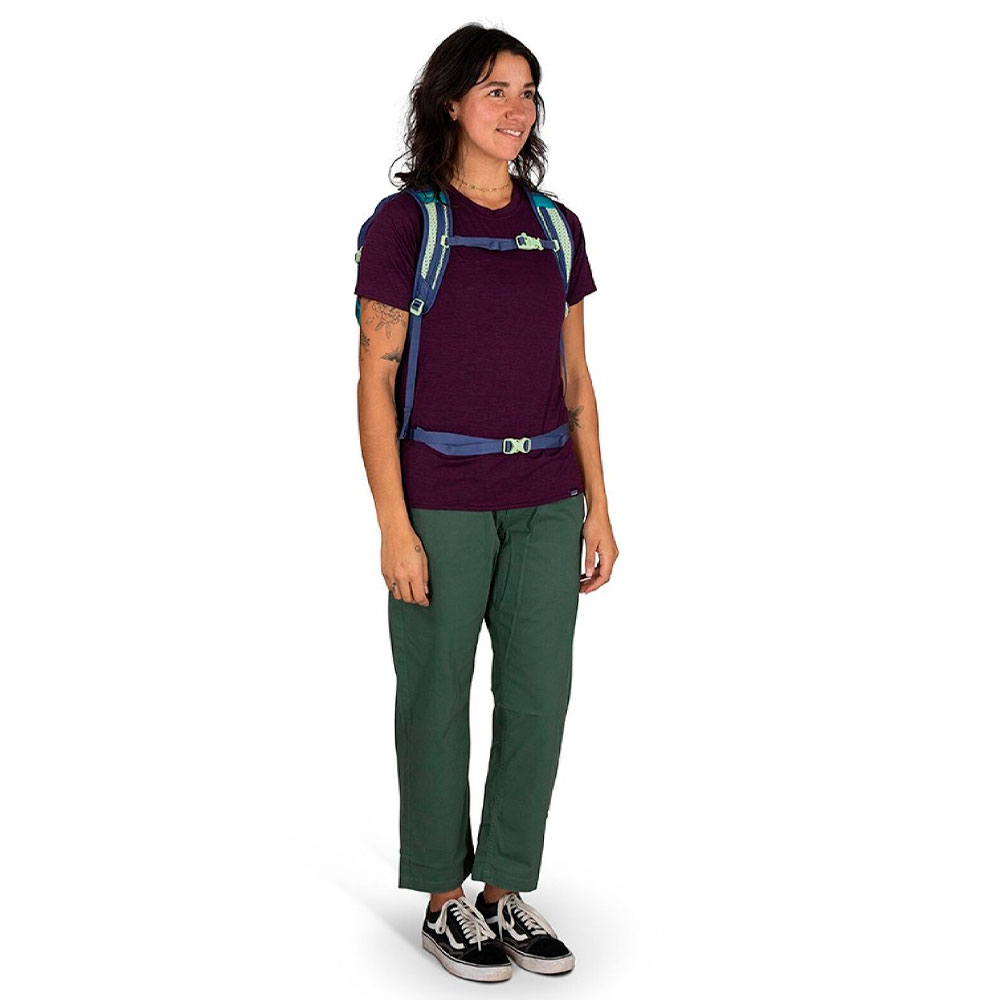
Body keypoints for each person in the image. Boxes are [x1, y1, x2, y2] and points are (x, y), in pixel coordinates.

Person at [354, 24, 619, 982]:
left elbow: (576, 378)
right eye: (497, 90)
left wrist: (598, 506)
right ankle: (443, 901)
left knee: (539, 696)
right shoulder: (405, 226)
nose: (518, 109)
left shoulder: (556, 226)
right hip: (443, 499)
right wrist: (394, 525)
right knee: (435, 695)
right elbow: (374, 381)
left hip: (547, 497)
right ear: (452, 103)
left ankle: (503, 890)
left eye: (529, 91)